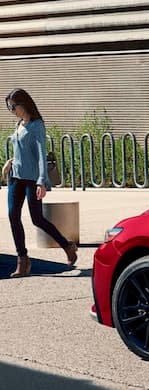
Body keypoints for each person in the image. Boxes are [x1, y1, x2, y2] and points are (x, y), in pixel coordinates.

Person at [4, 88, 77, 277]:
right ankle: (23, 259)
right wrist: (10, 161)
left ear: (23, 104)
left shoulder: (37, 126)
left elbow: (40, 158)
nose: (12, 111)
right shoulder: (19, 124)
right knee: (13, 215)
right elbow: (21, 150)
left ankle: (67, 246)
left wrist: (41, 182)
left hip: (31, 180)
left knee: (37, 218)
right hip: (15, 177)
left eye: (13, 106)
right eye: (9, 107)